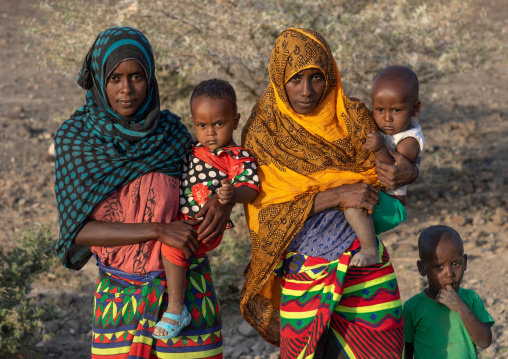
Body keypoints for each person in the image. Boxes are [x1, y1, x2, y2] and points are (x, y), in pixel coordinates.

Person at [54, 27, 232, 358]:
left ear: (150, 78)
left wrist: (223, 202)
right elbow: (76, 231)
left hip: (187, 295)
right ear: (99, 80)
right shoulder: (77, 142)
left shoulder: (173, 135)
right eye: (115, 78)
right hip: (118, 300)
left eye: (136, 76)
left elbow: (216, 171)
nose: (126, 89)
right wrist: (157, 230)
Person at [240, 27, 419, 359]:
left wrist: (412, 169)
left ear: (331, 75)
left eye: (317, 78)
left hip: (361, 258)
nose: (307, 91)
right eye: (296, 79)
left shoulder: (351, 116)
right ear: (280, 79)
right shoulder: (264, 132)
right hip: (302, 269)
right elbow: (265, 213)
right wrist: (337, 195)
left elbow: (393, 169)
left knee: (380, 351)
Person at [153, 79, 259, 339]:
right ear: (193, 123)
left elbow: (251, 188)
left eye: (219, 124)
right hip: (183, 219)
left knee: (173, 247)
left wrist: (232, 194)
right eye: (202, 125)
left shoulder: (237, 157)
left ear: (235, 120)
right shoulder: (192, 148)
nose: (210, 132)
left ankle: (177, 309)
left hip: (205, 225)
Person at [345, 65, 426, 267]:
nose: (386, 118)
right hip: (380, 197)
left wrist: (380, 148)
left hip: (393, 204)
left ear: (415, 109)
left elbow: (393, 173)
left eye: (396, 110)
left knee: (353, 204)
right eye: (379, 110)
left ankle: (370, 250)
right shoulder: (382, 125)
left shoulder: (410, 140)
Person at [403, 225, 494, 358]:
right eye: (439, 266)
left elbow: (484, 342)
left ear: (465, 262)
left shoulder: (471, 299)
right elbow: (407, 350)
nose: (449, 274)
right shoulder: (413, 307)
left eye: (456, 264)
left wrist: (461, 308)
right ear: (422, 268)